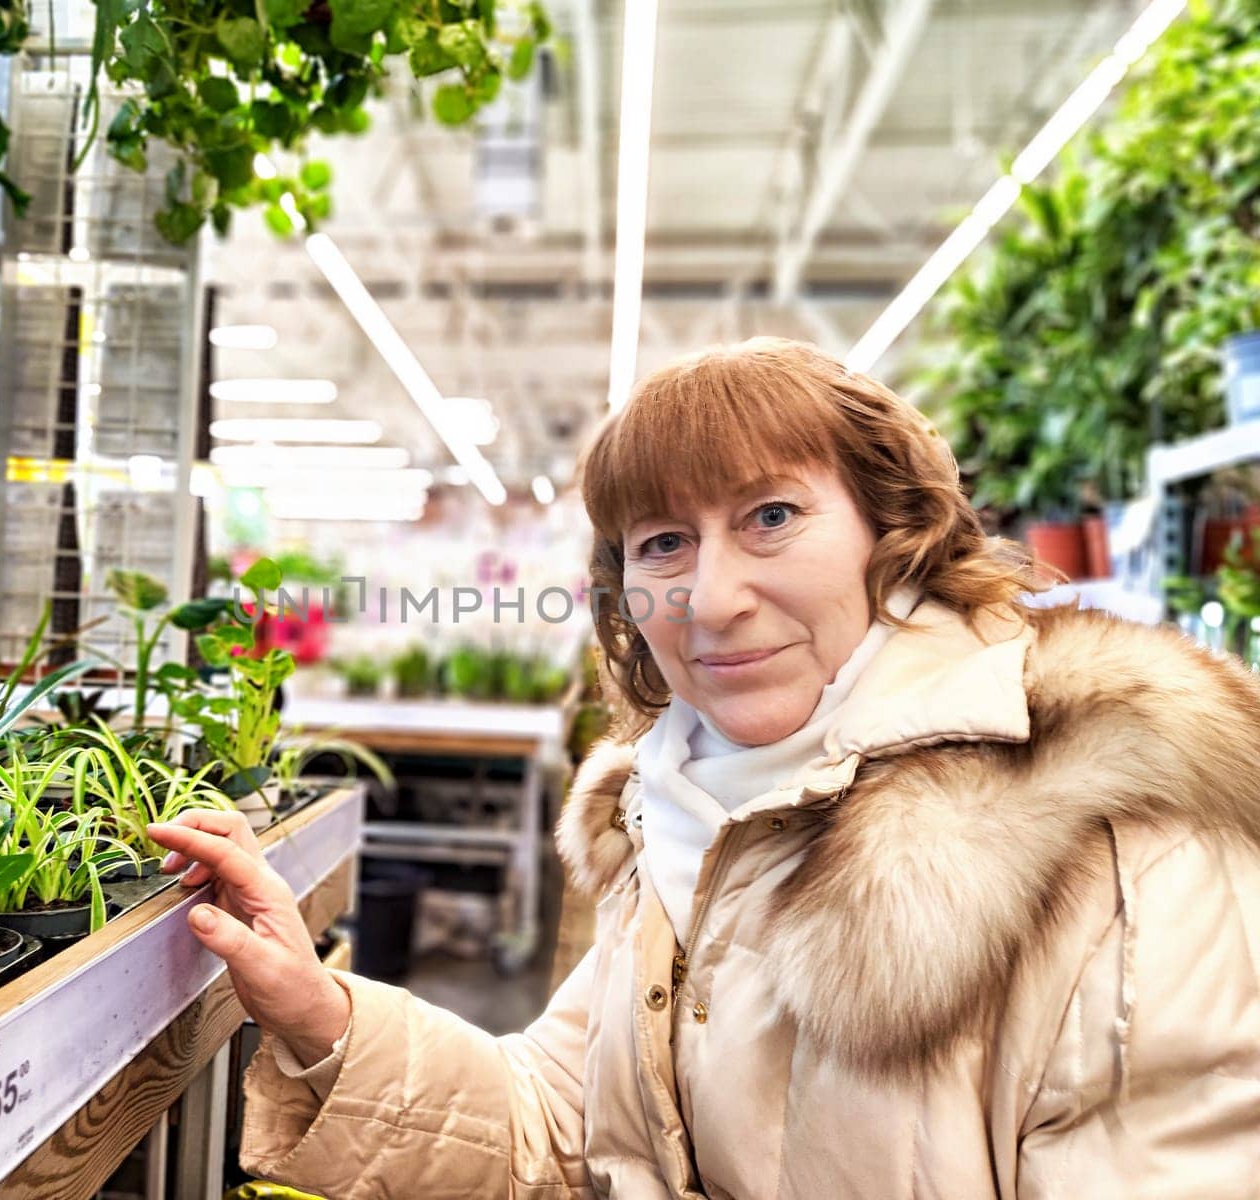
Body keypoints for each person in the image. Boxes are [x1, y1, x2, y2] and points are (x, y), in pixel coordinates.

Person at [148, 338, 1260, 1199]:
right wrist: (317, 1014)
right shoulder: (684, 809)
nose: (711, 599)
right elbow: (563, 1132)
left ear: (897, 532)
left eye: (771, 517)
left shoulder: (1117, 849)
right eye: (662, 544)